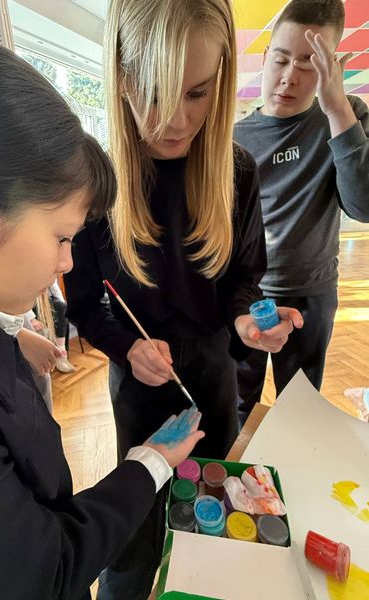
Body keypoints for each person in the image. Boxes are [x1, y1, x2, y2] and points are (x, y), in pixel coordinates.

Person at [0, 40, 206, 600]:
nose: (67, 262)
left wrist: (9, 339)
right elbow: (44, 570)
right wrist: (150, 463)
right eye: (61, 237)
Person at [64, 1, 303, 598]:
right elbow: (86, 305)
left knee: (213, 524)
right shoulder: (97, 187)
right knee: (135, 541)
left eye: (197, 93)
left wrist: (247, 321)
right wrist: (127, 347)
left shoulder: (236, 171)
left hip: (213, 380)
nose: (175, 120)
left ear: (220, 81)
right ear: (121, 77)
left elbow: (243, 279)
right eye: (154, 93)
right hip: (138, 389)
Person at [234, 0, 369, 424]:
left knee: (301, 407)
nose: (290, 76)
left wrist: (336, 109)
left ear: (332, 67)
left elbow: (362, 206)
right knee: (239, 401)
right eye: (281, 59)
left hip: (312, 293)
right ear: (265, 57)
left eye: (310, 63)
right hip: (247, 293)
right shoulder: (235, 137)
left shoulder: (347, 117)